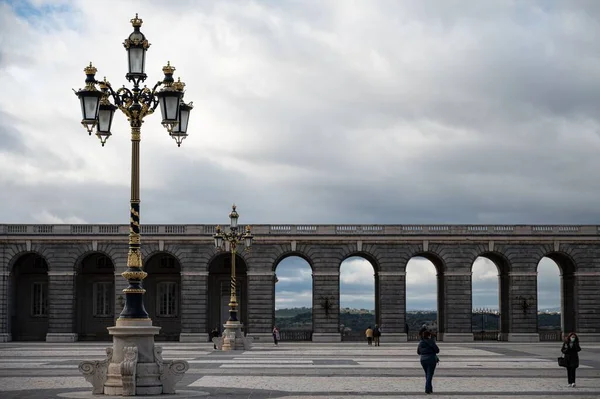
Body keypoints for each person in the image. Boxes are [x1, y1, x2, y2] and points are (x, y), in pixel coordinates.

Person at [417, 330, 440, 394]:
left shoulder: (421, 342)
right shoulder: (431, 342)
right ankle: (427, 389)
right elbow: (437, 350)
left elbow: (418, 352)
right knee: (430, 374)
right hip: (431, 359)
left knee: (427, 374)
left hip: (423, 360)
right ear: (429, 336)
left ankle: (430, 389)